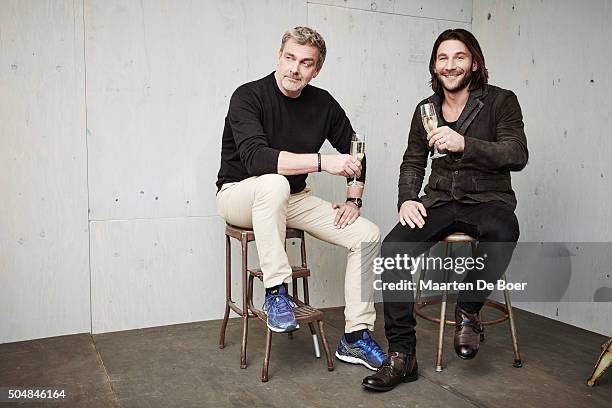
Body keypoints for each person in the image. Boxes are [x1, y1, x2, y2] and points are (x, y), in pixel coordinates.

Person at [362, 28, 528, 391]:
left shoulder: (501, 101)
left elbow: (517, 154)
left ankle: (468, 309)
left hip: (487, 199)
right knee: (393, 250)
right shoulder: (425, 109)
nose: (450, 65)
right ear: (434, 66)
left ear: (475, 63)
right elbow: (412, 161)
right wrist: (407, 198)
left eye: (459, 57)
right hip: (439, 199)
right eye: (443, 58)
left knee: (504, 231)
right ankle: (402, 355)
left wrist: (464, 143)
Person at [216, 26, 385, 371]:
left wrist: (354, 199)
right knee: (274, 183)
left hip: (292, 197)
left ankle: (355, 337)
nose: (294, 68)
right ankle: (277, 292)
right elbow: (257, 160)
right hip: (239, 193)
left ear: (316, 69)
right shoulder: (247, 96)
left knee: (367, 236)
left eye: (305, 63)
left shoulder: (322, 103)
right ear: (279, 56)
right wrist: (324, 163)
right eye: (289, 58)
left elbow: (356, 147)